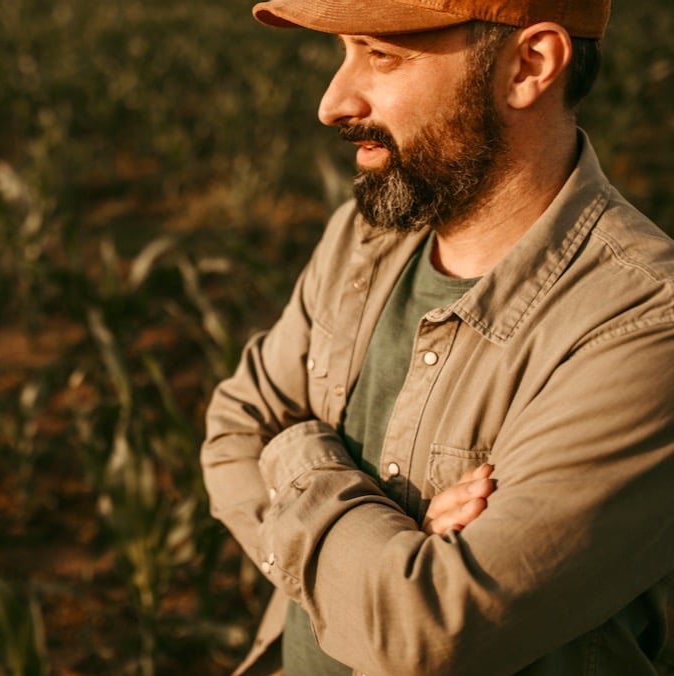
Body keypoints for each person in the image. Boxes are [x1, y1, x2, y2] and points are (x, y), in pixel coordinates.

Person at [199, 0, 674, 673]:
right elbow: (230, 431)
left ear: (528, 66)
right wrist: (395, 534)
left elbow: (427, 629)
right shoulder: (360, 240)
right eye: (343, 53)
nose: (332, 102)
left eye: (380, 54)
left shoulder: (644, 329)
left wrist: (296, 460)